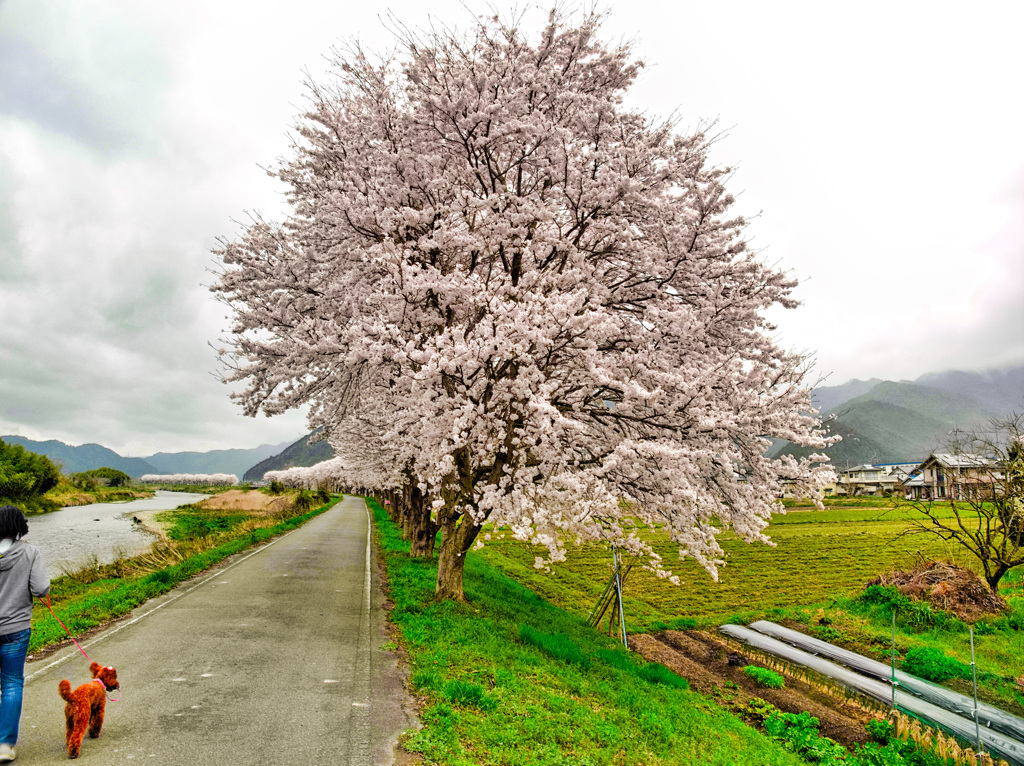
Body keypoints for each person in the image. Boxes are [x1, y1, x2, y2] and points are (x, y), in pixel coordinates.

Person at [0, 505, 50, 763]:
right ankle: (4, 746)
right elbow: (41, 588)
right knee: (10, 683)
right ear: (20, 526)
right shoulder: (30, 552)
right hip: (15, 629)